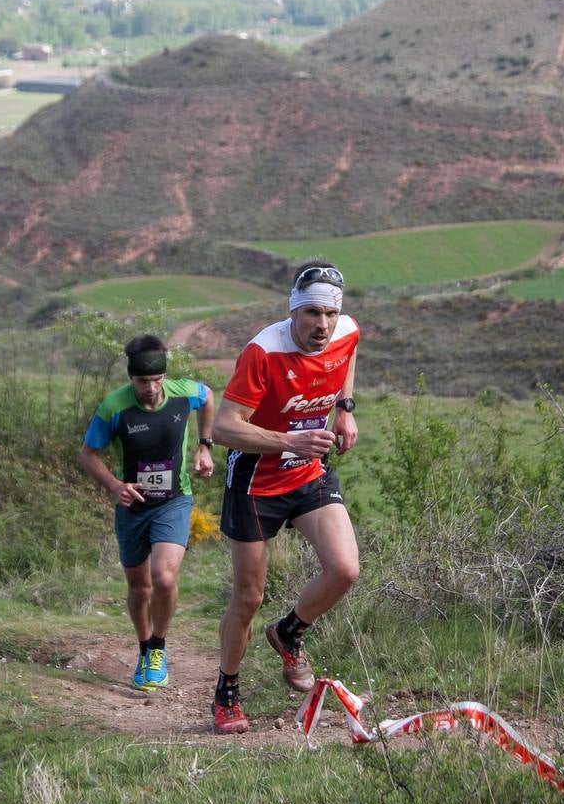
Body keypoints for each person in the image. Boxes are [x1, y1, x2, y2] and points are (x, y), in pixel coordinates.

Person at [209, 260, 360, 734]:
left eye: (329, 314)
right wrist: (287, 441)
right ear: (293, 310)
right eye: (311, 312)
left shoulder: (346, 332)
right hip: (255, 483)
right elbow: (223, 427)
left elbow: (346, 356)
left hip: (309, 473)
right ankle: (227, 690)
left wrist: (345, 410)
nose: (322, 325)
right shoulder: (263, 352)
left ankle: (289, 631)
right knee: (248, 597)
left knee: (345, 569)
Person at [78, 334, 215, 691]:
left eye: (157, 380)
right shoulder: (114, 408)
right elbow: (87, 454)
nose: (152, 388)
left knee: (164, 578)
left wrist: (205, 445)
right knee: (140, 588)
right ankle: (143, 648)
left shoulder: (185, 393)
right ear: (131, 378)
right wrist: (115, 486)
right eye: (143, 381)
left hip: (174, 500)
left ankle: (158, 647)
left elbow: (209, 396)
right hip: (134, 508)